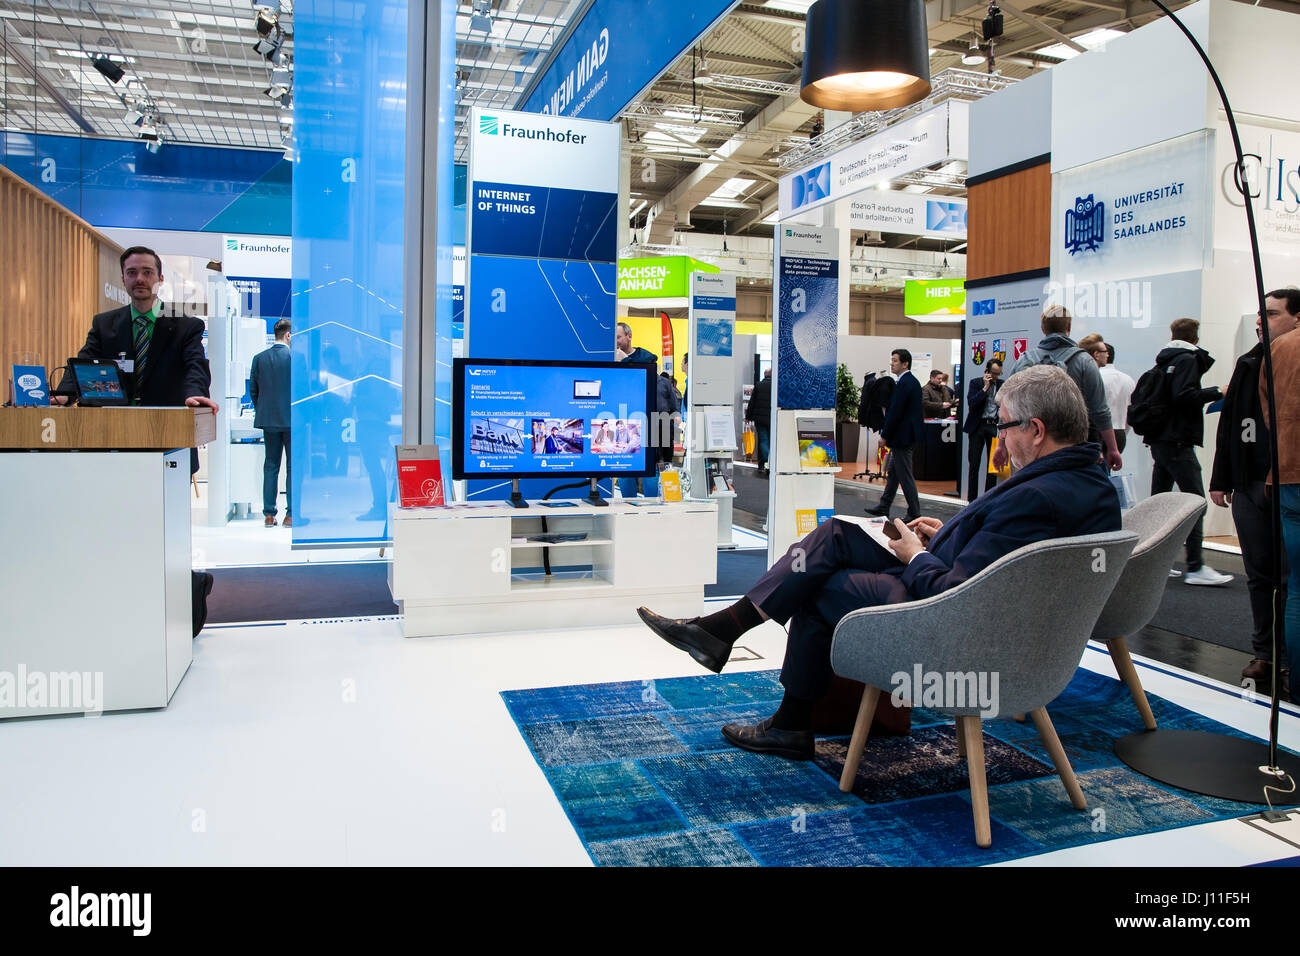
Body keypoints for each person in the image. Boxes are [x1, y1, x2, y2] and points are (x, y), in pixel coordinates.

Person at [636, 366, 1121, 759]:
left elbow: (957, 591)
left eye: (1004, 424)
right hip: (990, 612)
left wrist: (918, 555)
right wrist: (948, 535)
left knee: (819, 585)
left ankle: (772, 700)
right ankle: (726, 637)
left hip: (957, 626)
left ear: (1035, 431)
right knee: (836, 535)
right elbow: (1001, 563)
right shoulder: (1090, 485)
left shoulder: (1036, 497)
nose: (1000, 436)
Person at [56, 246, 219, 635]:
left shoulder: (184, 324)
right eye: (132, 273)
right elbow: (84, 362)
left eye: (147, 272)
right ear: (123, 279)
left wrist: (195, 395)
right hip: (115, 446)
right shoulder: (105, 324)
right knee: (120, 528)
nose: (140, 279)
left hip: (168, 443)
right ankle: (126, 606)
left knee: (167, 535)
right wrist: (64, 393)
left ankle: (181, 600)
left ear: (160, 279)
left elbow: (196, 366)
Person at [1215, 290, 1299, 691]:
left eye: (1272, 313)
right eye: (1261, 314)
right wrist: (1220, 478)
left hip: (1285, 481)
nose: (1261, 321)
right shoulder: (1249, 362)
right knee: (1258, 575)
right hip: (1249, 482)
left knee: (1288, 577)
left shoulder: (1285, 361)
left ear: (1297, 318)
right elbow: (1229, 422)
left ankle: (1287, 660)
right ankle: (1264, 653)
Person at [1145, 318, 1231, 586]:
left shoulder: (1164, 359)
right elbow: (1183, 396)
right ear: (1196, 337)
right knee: (1195, 503)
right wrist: (1218, 392)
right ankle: (1195, 566)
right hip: (1178, 441)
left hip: (1160, 439)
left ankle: (1154, 561)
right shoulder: (1188, 360)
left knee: (1158, 503)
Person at [1001, 306, 1122, 473]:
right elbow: (1100, 411)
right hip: (1074, 452)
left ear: (1043, 328)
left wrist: (1001, 445)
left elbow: (1005, 411)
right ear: (1069, 327)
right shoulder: (1084, 361)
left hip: (1032, 450)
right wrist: (1113, 448)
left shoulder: (1024, 361)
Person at [1260, 299, 1300, 689]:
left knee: (1297, 587)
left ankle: (1296, 682)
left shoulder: (1280, 349)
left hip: (1288, 473)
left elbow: (1269, 414)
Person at [867, 349, 923, 522]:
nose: (892, 363)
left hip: (902, 437)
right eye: (891, 360)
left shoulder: (906, 383)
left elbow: (895, 412)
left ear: (905, 363)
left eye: (895, 361)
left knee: (904, 474)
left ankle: (914, 511)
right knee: (893, 472)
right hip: (905, 435)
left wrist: (884, 434)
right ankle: (884, 505)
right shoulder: (909, 382)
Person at [250, 319, 293, 527]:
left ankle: (269, 514)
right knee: (293, 468)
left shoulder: (259, 358)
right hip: (292, 421)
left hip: (268, 422)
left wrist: (263, 411)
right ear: (288, 335)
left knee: (271, 466)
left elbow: (253, 390)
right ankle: (290, 514)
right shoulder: (296, 359)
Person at [963, 358, 1003, 501]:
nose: (996, 377)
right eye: (993, 373)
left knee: (992, 467)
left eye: (998, 374)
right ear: (987, 371)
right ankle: (972, 501)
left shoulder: (1002, 385)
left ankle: (988, 499)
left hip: (994, 426)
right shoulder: (976, 383)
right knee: (974, 464)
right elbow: (972, 404)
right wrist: (985, 388)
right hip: (977, 426)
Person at [1098, 341, 1136, 454]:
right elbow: (1130, 411)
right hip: (1120, 433)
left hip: (1098, 433)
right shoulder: (1128, 380)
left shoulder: (1095, 376)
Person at [745, 368, 772, 477]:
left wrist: (748, 417)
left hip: (760, 419)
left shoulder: (759, 385)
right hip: (772, 418)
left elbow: (752, 402)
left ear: (765, 375)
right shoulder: (777, 385)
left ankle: (762, 464)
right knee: (771, 441)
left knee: (763, 440)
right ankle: (770, 464)